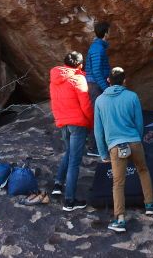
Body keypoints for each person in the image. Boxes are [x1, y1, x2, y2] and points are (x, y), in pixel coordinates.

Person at [94, 67, 153, 233]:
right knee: (143, 170)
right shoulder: (132, 96)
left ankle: (120, 219)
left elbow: (98, 130)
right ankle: (149, 205)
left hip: (115, 146)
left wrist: (103, 153)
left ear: (108, 80)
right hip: (134, 141)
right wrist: (138, 138)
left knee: (118, 183)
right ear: (124, 81)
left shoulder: (100, 101)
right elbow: (139, 123)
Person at [50, 51, 93, 211]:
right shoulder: (78, 79)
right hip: (77, 123)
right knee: (75, 161)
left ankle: (58, 184)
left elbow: (54, 101)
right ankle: (69, 201)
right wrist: (91, 122)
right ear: (80, 65)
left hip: (63, 122)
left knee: (69, 152)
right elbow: (86, 105)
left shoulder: (55, 78)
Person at [84, 21, 111, 156]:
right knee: (97, 116)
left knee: (100, 115)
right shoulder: (97, 49)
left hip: (96, 84)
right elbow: (96, 71)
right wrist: (106, 88)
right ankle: (93, 148)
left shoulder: (98, 47)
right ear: (106, 32)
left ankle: (98, 145)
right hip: (95, 86)